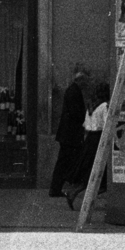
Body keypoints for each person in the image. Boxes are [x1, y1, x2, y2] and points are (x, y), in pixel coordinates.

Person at [67, 80, 112, 208]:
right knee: (100, 172)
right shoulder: (104, 106)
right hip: (99, 139)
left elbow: (86, 125)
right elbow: (106, 124)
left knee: (89, 170)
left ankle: (74, 192)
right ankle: (78, 195)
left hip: (90, 139)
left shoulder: (91, 105)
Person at [47, 65, 90, 198]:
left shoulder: (73, 90)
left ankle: (59, 188)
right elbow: (76, 113)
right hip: (70, 135)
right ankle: (57, 188)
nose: (87, 83)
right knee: (65, 162)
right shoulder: (73, 91)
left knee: (65, 162)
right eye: (85, 81)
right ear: (80, 80)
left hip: (68, 135)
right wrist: (87, 115)